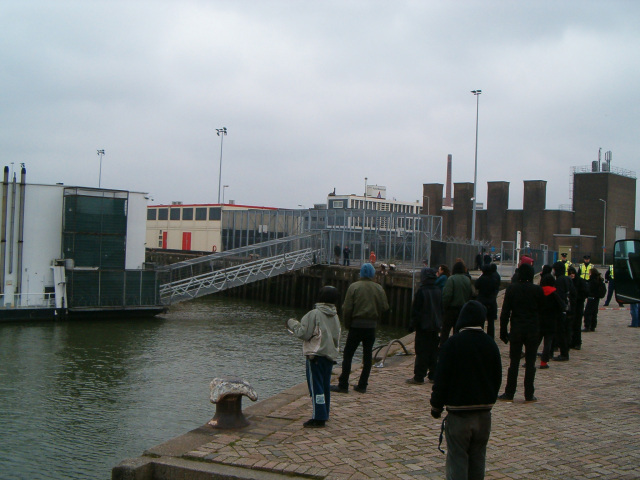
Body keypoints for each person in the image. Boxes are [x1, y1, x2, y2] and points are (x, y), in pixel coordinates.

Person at [430, 301, 502, 480]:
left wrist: (436, 407)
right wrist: (490, 399)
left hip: (459, 413)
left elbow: (442, 378)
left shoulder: (452, 344)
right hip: (484, 413)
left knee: (457, 459)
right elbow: (497, 376)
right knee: (478, 458)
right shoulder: (490, 344)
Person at [286, 286, 342, 428]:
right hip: (329, 356)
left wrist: (292, 323)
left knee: (315, 387)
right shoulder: (335, 316)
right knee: (324, 386)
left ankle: (318, 417)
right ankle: (325, 412)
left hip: (315, 356)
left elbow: (303, 333)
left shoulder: (314, 314)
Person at [331, 263, 389, 394]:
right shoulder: (378, 288)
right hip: (371, 327)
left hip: (356, 326)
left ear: (361, 273)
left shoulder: (354, 287)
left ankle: (343, 384)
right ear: (373, 274)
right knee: (367, 356)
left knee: (348, 354)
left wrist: (347, 324)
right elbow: (385, 307)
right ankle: (362, 385)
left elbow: (346, 308)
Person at [498, 263, 544, 402]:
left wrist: (503, 331)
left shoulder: (512, 289)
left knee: (514, 364)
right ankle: (529, 394)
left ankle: (509, 392)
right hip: (532, 330)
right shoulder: (537, 290)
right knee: (530, 364)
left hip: (517, 329)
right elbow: (542, 312)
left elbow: (505, 312)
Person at [407, 268, 443, 385]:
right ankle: (433, 374)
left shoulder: (422, 291)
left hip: (424, 326)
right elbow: (441, 308)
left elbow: (416, 311)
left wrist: (412, 325)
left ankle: (419, 376)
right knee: (433, 351)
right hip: (435, 326)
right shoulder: (438, 290)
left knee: (422, 351)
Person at [440, 261, 472, 347]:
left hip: (451, 309)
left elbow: (447, 295)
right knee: (457, 331)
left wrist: (444, 307)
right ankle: (456, 348)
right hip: (462, 309)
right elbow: (471, 294)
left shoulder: (451, 279)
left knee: (445, 331)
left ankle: (443, 349)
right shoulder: (467, 279)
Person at [539, 274, 566, 369]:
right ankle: (543, 362)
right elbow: (562, 306)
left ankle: (529, 361)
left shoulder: (539, 292)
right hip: (551, 321)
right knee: (547, 343)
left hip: (539, 320)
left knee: (534, 342)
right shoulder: (555, 293)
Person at [552, 261, 576, 359]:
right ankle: (565, 350)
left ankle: (564, 353)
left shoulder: (559, 281)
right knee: (566, 331)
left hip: (561, 310)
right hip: (569, 308)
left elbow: (559, 296)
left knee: (561, 332)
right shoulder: (568, 279)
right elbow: (573, 293)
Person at [475, 264, 499, 339]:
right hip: (491, 302)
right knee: (491, 322)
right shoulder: (494, 279)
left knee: (480, 320)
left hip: (482, 301)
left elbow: (476, 285)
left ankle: (480, 336)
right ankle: (490, 337)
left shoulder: (482, 279)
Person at [568, 266, 589, 350]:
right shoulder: (569, 281)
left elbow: (585, 292)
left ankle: (577, 342)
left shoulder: (580, 281)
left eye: (573, 273)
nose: (572, 275)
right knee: (571, 325)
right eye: (570, 273)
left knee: (577, 325)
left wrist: (578, 297)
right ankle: (572, 342)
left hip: (578, 306)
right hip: (572, 306)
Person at [583, 267, 606, 332]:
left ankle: (587, 326)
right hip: (596, 299)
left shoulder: (593, 280)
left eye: (589, 273)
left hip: (592, 298)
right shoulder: (599, 280)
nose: (589, 274)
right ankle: (593, 326)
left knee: (588, 313)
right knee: (594, 313)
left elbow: (590, 289)